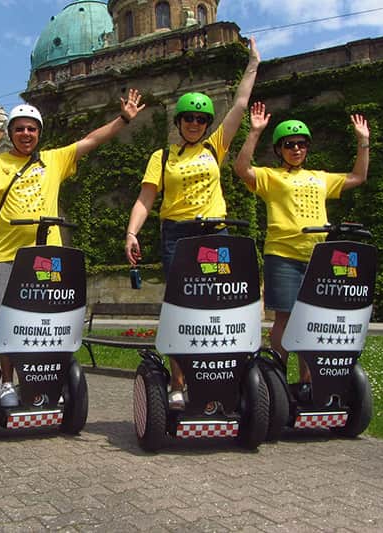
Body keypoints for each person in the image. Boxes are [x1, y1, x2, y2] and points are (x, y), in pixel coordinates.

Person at [0, 91, 145, 407]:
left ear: (39, 133)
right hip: (9, 257)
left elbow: (91, 141)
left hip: (49, 259)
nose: (25, 134)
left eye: (31, 129)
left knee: (52, 322)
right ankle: (7, 382)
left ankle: (51, 379)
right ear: (10, 133)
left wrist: (124, 119)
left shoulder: (54, 160)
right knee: (8, 322)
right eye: (19, 128)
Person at [124, 36, 260, 410]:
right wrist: (132, 232)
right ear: (179, 121)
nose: (197, 124)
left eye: (202, 119)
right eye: (190, 118)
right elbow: (145, 199)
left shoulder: (215, 147)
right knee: (180, 308)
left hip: (216, 233)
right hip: (177, 236)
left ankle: (222, 376)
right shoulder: (162, 156)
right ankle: (179, 383)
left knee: (221, 306)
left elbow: (240, 105)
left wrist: (252, 64)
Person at [233, 102, 370, 397]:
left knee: (312, 319)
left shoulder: (319, 177)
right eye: (289, 144)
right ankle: (278, 380)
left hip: (317, 256)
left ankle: (307, 382)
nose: (296, 149)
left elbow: (358, 177)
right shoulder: (271, 177)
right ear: (280, 149)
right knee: (285, 316)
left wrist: (363, 141)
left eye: (301, 144)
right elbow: (241, 168)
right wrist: (255, 132)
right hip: (282, 254)